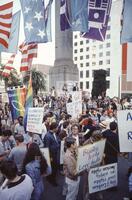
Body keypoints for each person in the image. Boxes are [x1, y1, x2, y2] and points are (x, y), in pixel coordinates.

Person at [44, 122, 60, 186]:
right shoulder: (47, 136)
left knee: (55, 167)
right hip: (52, 155)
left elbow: (56, 141)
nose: (58, 128)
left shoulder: (54, 133)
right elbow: (47, 147)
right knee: (53, 168)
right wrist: (49, 157)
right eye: (57, 127)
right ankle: (52, 180)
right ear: (54, 128)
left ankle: (51, 178)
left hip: (55, 153)